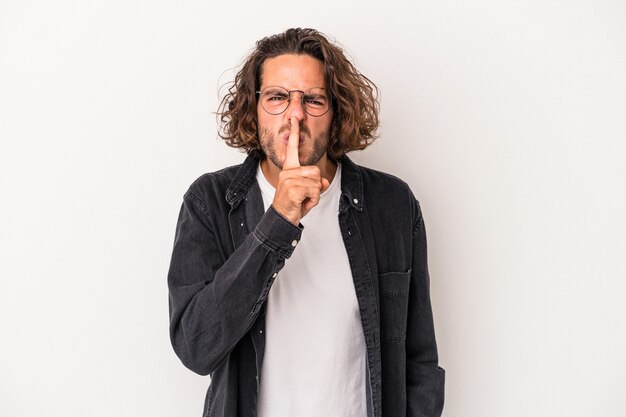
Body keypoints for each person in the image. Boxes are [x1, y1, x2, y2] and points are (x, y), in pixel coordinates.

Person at [168, 28, 445, 417]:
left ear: (336, 112)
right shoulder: (210, 203)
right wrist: (278, 220)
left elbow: (419, 362)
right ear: (254, 107)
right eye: (278, 97)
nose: (295, 114)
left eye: (313, 100)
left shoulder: (392, 206)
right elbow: (196, 347)